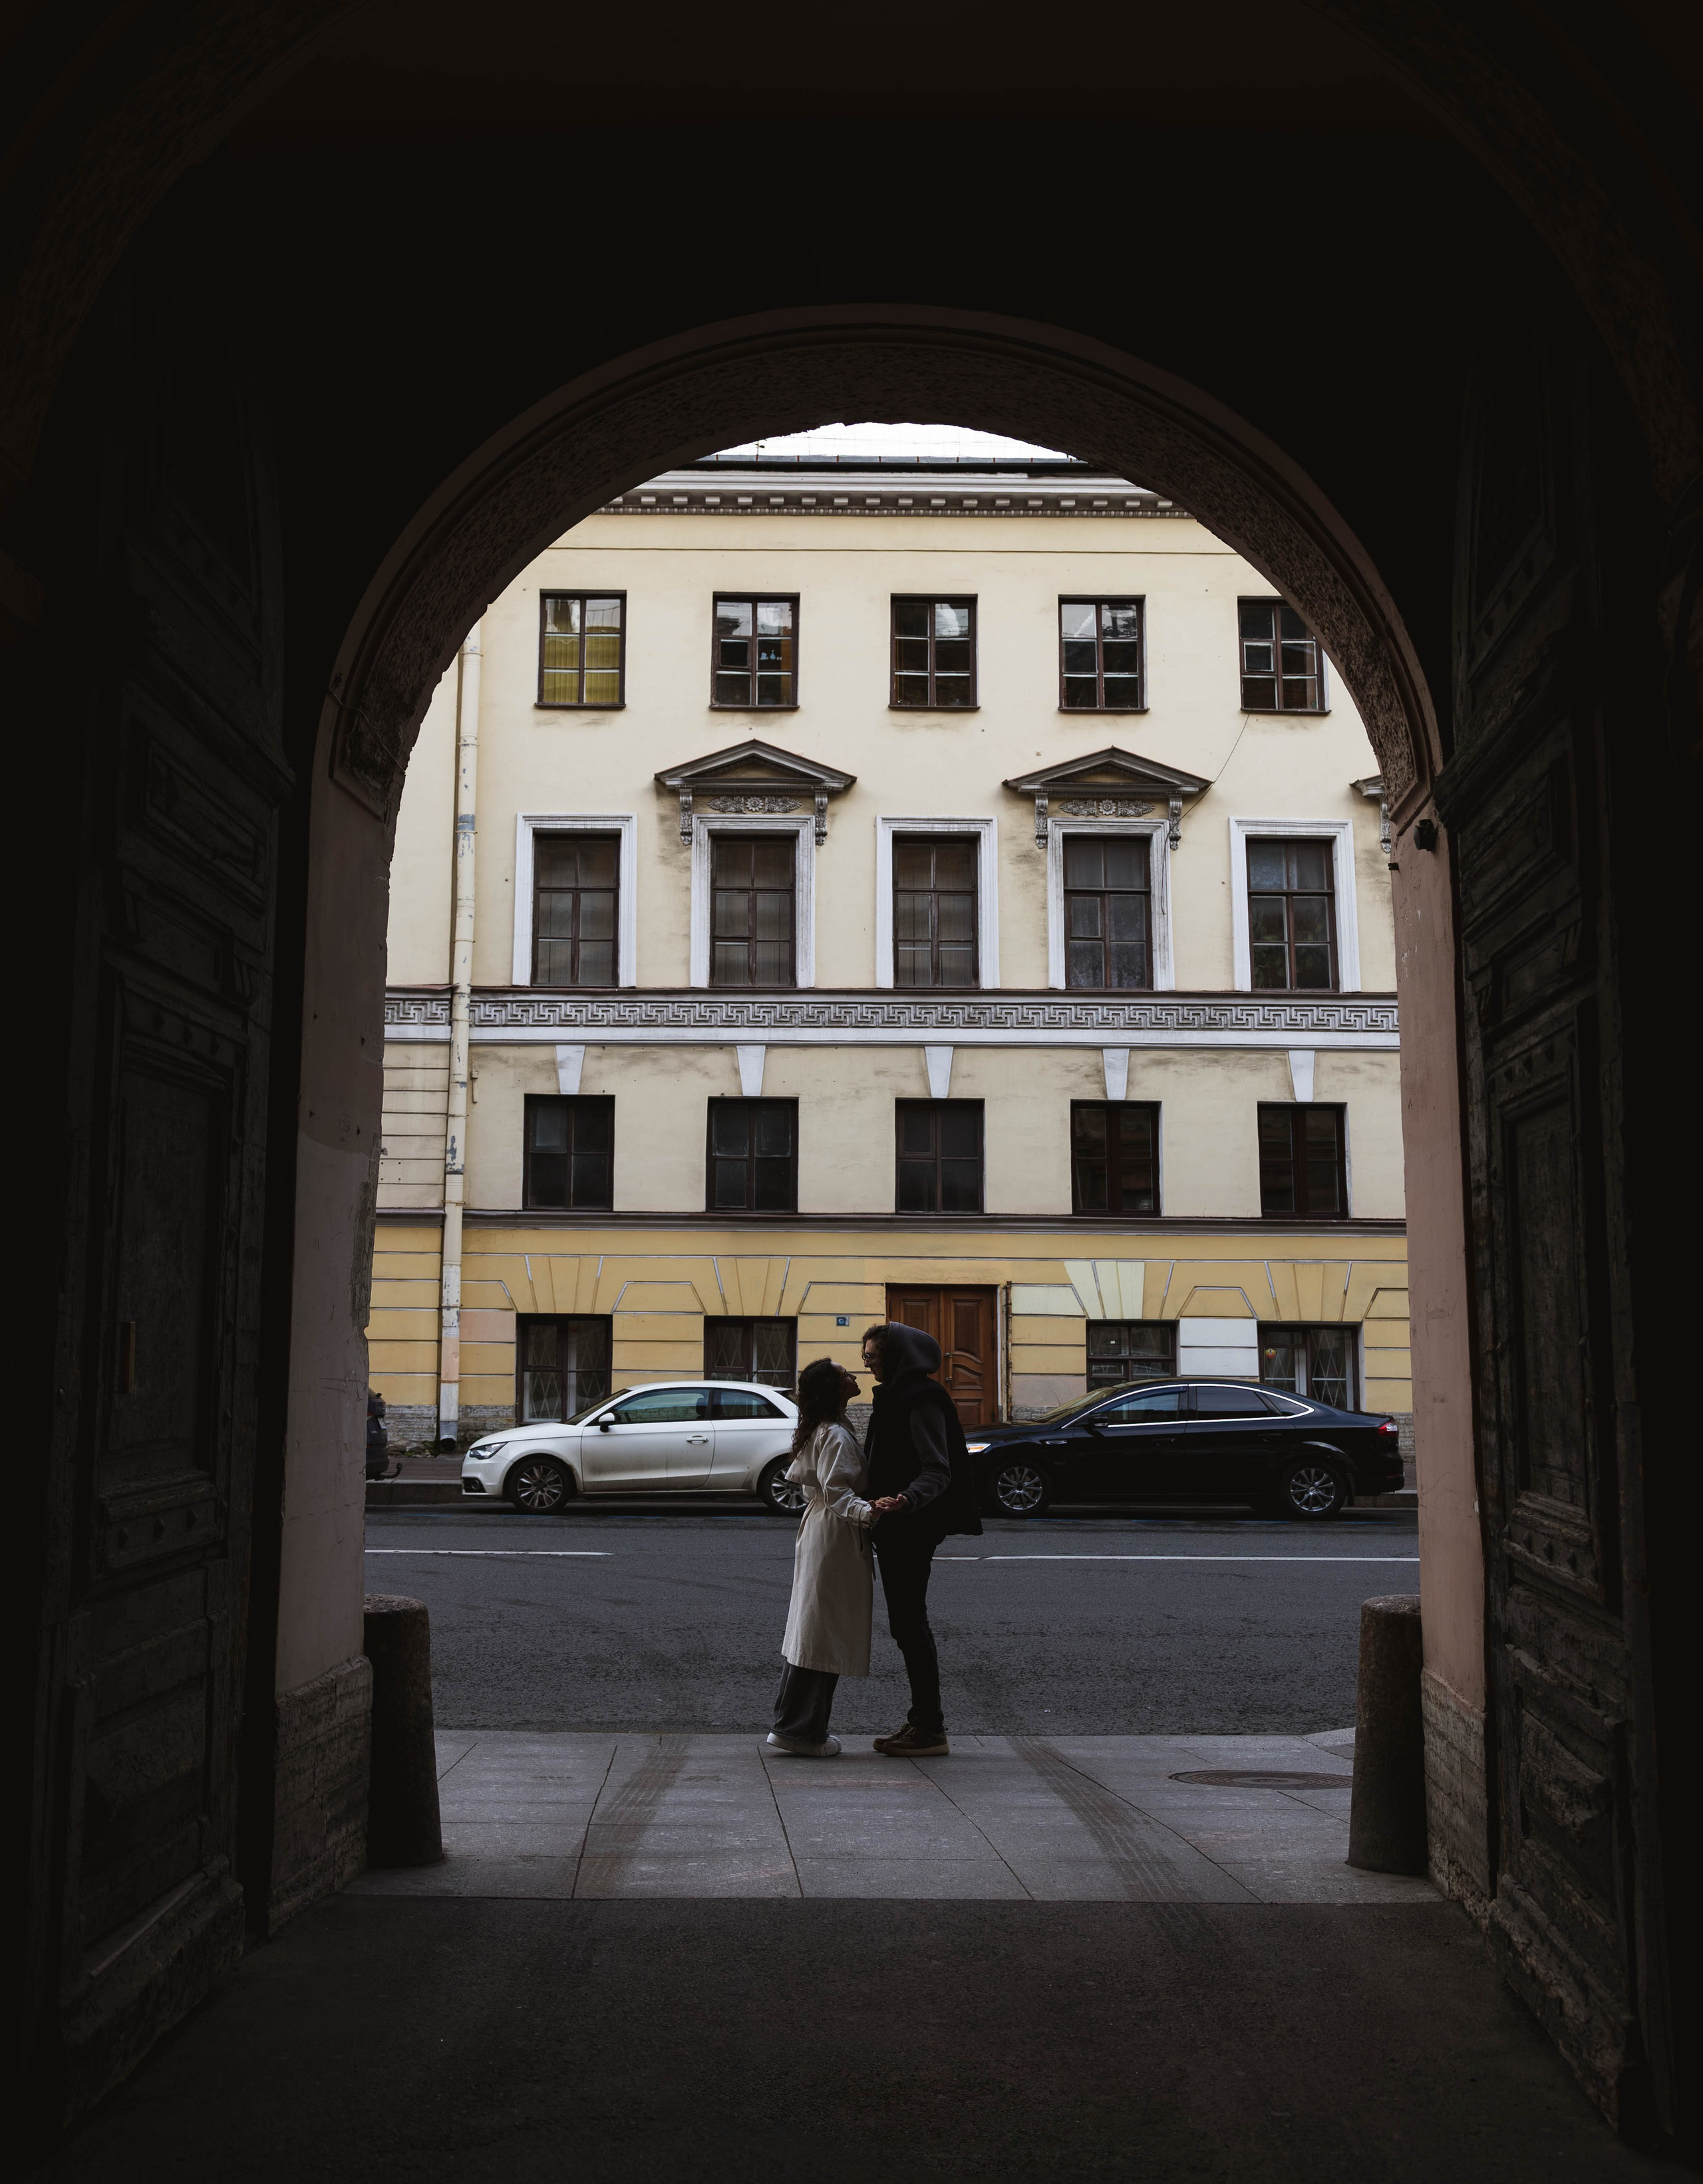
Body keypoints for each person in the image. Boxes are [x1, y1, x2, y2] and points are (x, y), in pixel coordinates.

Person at [860, 1321, 985, 1758]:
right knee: (906, 1624)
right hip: (897, 1525)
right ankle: (923, 1721)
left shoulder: (921, 1398)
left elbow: (937, 1468)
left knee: (910, 1624)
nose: (867, 1364)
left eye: (872, 1356)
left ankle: (930, 1728)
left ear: (896, 1357)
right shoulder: (895, 1395)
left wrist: (906, 1500)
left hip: (911, 1528)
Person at [767, 1356, 881, 1758]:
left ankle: (794, 1725)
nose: (854, 1375)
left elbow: (816, 1489)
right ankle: (801, 1732)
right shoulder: (834, 1433)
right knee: (822, 1632)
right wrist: (871, 1512)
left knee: (814, 1627)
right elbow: (837, 1493)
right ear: (834, 1389)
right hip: (835, 1533)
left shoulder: (825, 1428)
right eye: (844, 1374)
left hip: (822, 1529)